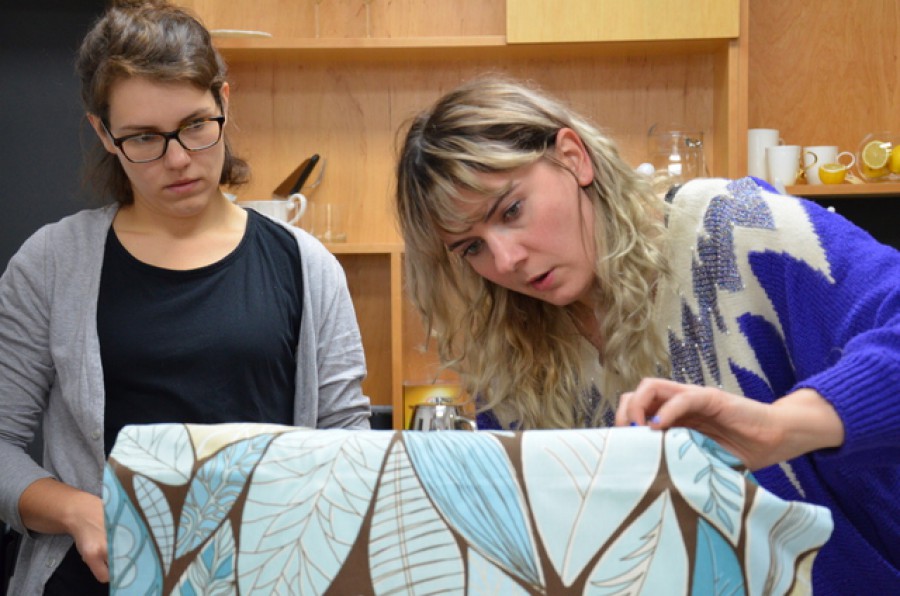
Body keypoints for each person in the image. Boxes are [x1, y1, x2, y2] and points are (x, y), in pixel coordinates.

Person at [394, 75, 899, 592]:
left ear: (573, 158)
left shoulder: (734, 228)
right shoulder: (512, 361)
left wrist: (779, 427)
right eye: (471, 248)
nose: (505, 260)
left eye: (512, 210)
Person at [0, 1, 371, 593]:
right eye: (144, 137)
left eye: (197, 125)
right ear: (104, 133)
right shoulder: (50, 264)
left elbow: (349, 446)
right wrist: (79, 511)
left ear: (224, 101)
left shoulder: (307, 266)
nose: (178, 160)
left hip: (264, 578)